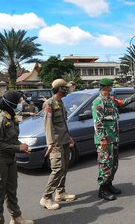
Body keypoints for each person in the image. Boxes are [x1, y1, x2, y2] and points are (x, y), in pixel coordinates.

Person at [91, 78, 135, 201]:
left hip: (113, 139)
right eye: (110, 86)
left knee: (113, 164)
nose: (112, 88)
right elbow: (97, 123)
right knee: (105, 164)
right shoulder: (98, 102)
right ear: (106, 87)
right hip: (105, 141)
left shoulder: (111, 100)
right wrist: (102, 139)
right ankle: (102, 189)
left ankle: (109, 185)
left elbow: (122, 103)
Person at [0, 90, 33, 224]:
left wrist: (21, 146)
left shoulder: (12, 118)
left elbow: (11, 139)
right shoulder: (0, 120)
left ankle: (16, 218)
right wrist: (18, 148)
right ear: (11, 103)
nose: (22, 103)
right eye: (19, 101)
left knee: (12, 191)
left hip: (10, 160)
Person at [40, 79, 76, 210]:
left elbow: (63, 123)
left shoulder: (60, 102)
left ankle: (60, 192)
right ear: (61, 89)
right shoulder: (49, 103)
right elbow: (48, 124)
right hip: (55, 142)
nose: (67, 89)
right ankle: (46, 197)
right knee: (57, 168)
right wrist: (50, 142)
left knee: (65, 166)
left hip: (64, 140)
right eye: (65, 88)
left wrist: (69, 137)